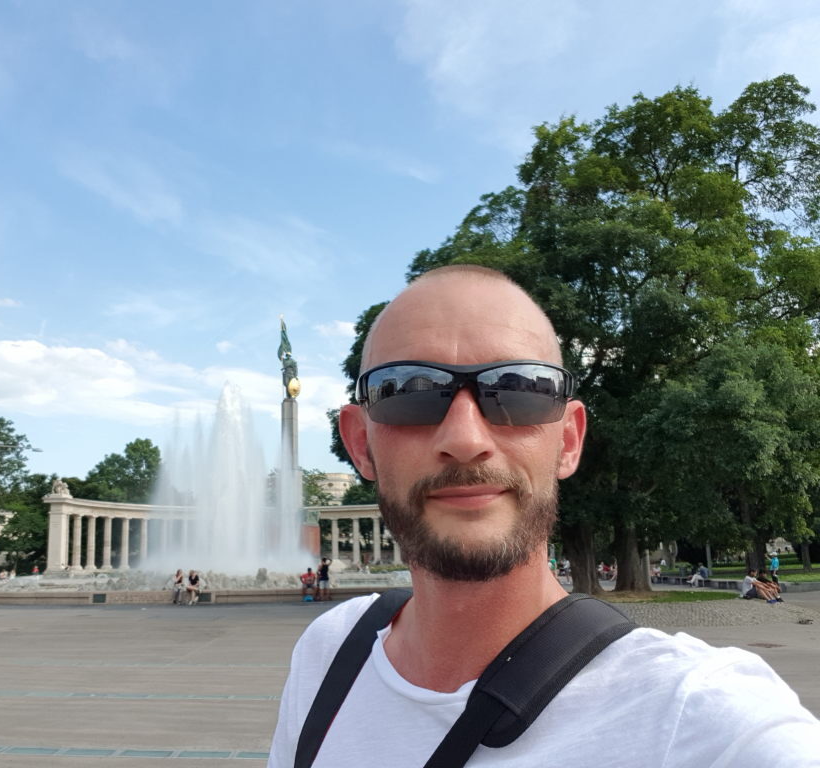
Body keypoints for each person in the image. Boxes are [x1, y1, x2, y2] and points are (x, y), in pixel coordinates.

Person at [267, 265, 820, 767]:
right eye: (410, 391)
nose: (464, 440)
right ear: (360, 443)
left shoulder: (699, 717)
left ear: (569, 441)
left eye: (519, 389)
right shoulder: (330, 650)